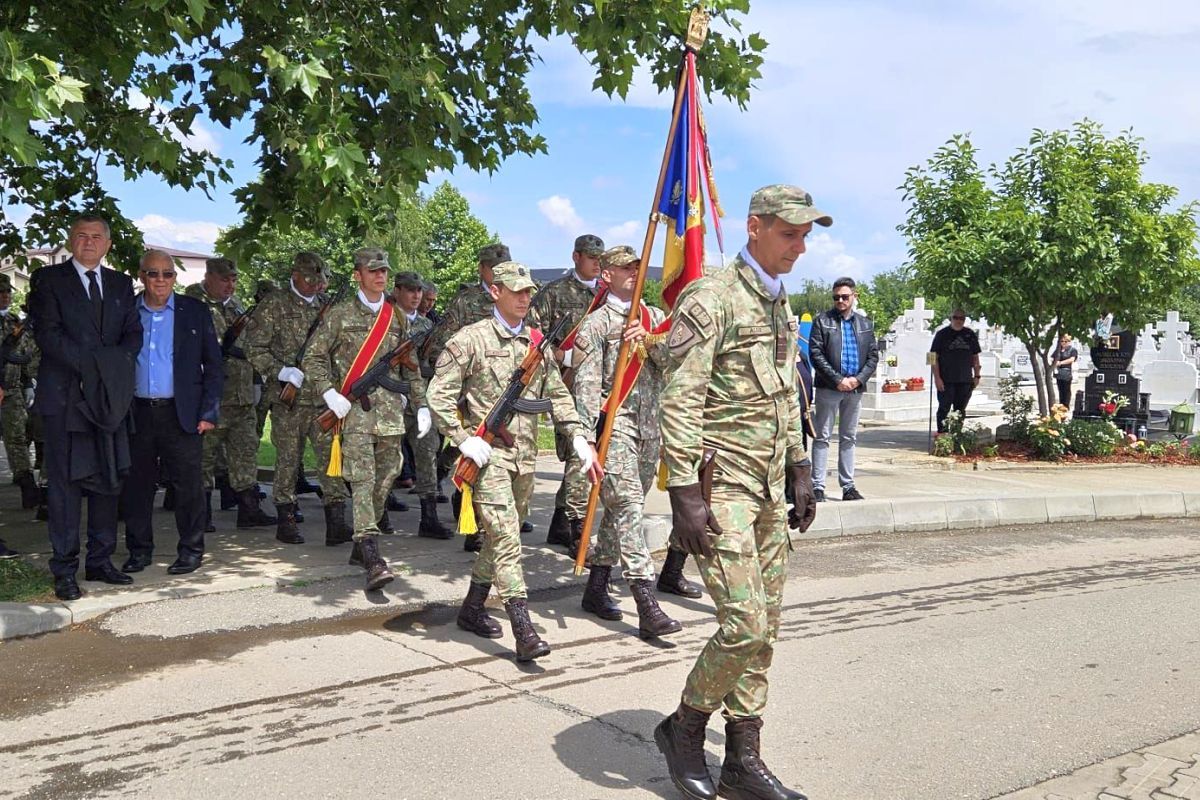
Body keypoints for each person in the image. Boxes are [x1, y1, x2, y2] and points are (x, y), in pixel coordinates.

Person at [655, 184, 820, 800]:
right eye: (789, 233)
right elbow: (680, 397)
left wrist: (800, 467)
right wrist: (682, 494)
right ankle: (685, 728)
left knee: (767, 626)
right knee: (744, 623)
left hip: (770, 486)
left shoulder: (779, 302)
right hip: (720, 485)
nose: (800, 247)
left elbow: (784, 391)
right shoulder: (712, 297)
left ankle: (742, 759)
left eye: (806, 235)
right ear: (754, 227)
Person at [428, 260, 601, 662]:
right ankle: (522, 629)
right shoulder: (469, 339)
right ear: (495, 292)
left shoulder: (536, 345)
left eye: (528, 291)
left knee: (499, 537)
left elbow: (557, 396)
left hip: (524, 460)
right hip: (487, 458)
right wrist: (462, 439)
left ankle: (471, 609)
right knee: (506, 538)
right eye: (517, 290)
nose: (526, 297)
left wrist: (576, 436)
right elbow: (438, 396)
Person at [30, 213, 143, 601]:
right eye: (81, 236)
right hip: (65, 399)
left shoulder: (120, 283)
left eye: (96, 237)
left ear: (108, 244)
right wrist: (97, 367)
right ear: (70, 240)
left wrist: (109, 371)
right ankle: (64, 568)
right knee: (64, 486)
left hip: (108, 401)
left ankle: (100, 560)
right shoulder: (48, 280)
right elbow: (48, 334)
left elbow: (132, 334)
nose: (89, 242)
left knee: (107, 481)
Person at [303, 248, 429, 590]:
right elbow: (313, 358)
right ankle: (372, 555)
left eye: (384, 271)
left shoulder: (396, 317)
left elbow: (411, 366)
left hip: (390, 417)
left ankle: (361, 543)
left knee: (384, 480)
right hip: (354, 413)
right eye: (372, 271)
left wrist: (420, 405)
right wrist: (329, 393)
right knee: (361, 480)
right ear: (357, 274)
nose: (380, 276)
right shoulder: (340, 314)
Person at [571, 244, 681, 638]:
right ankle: (645, 600)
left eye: (637, 266)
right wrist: (583, 437)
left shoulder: (654, 317)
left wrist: (649, 340)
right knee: (631, 506)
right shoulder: (596, 324)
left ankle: (597, 587)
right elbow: (585, 387)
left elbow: (674, 363)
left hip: (650, 428)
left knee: (622, 514)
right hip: (615, 427)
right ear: (607, 274)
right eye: (625, 267)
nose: (634, 272)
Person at [119, 251, 223, 575]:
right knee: (137, 486)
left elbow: (215, 367)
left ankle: (191, 550)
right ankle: (139, 551)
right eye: (153, 274)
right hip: (137, 412)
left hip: (182, 414)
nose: (160, 280)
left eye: (167, 274)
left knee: (188, 487)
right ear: (142, 276)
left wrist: (208, 411)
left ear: (174, 278)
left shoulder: (194, 312)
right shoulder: (127, 312)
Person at [244, 252, 351, 546]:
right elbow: (254, 348)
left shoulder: (325, 308)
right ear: (295, 275)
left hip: (321, 399)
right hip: (288, 402)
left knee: (332, 461)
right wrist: (279, 371)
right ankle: (286, 520)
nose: (317, 285)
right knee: (288, 462)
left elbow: (336, 352)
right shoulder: (274, 305)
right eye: (310, 279)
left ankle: (337, 522)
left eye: (320, 280)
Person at [425, 242, 513, 552]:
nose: (499, 271)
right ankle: (472, 520)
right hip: (472, 395)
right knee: (474, 455)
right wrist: (458, 387)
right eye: (493, 266)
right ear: (482, 269)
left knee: (500, 458)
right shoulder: (466, 301)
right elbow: (440, 345)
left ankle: (496, 515)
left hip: (506, 394)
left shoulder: (515, 298)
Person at [186, 258, 276, 532]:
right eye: (225, 279)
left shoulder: (236, 306)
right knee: (204, 458)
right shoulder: (193, 303)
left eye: (234, 280)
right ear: (209, 277)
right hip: (211, 397)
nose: (230, 285)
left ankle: (248, 509)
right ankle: (200, 515)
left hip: (242, 395)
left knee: (246, 452)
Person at [530, 233, 605, 555]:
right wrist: (561, 358)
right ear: (576, 257)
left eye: (600, 258)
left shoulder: (609, 295)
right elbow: (533, 336)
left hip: (603, 387)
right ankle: (576, 530)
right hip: (568, 385)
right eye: (591, 257)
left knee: (586, 456)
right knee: (580, 455)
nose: (597, 263)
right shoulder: (554, 293)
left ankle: (561, 524)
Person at [389, 271, 452, 538]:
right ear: (397, 291)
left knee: (427, 454)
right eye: (410, 290)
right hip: (392, 398)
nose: (416, 296)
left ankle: (429, 517)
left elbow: (436, 362)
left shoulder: (427, 327)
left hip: (422, 400)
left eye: (419, 291)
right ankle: (380, 507)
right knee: (388, 455)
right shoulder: (386, 322)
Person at [808, 276, 878, 502]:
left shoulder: (865, 325)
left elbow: (873, 356)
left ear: (854, 297)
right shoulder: (823, 321)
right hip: (830, 388)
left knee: (849, 437)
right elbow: (816, 354)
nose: (840, 300)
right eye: (836, 297)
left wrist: (857, 380)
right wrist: (837, 379)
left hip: (855, 389)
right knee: (822, 437)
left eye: (845, 297)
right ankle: (817, 486)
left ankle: (848, 486)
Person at [0, 273, 39, 509]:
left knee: (17, 439)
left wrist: (27, 383)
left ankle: (26, 483)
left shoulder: (14, 321)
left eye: (7, 292)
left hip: (12, 390)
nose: (5, 296)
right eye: (1, 292)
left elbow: (26, 355)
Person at [930, 309, 982, 433]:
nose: (958, 320)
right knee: (944, 409)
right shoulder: (942, 334)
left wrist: (977, 376)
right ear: (951, 318)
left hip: (965, 379)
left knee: (960, 410)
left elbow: (975, 356)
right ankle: (942, 437)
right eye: (956, 317)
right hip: (946, 380)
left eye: (962, 318)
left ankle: (956, 435)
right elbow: (932, 357)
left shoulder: (969, 334)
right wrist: (936, 378)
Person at [1051, 333, 1079, 410]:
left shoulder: (1072, 350)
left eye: (1065, 341)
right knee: (1060, 389)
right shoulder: (1058, 350)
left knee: (1066, 389)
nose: (1063, 343)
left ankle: (1066, 405)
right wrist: (1054, 362)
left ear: (1069, 342)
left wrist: (1060, 363)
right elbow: (1052, 357)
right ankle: (1061, 404)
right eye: (1062, 341)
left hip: (1067, 371)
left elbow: (1071, 359)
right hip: (1058, 371)